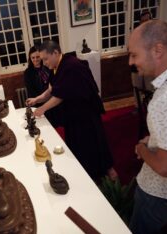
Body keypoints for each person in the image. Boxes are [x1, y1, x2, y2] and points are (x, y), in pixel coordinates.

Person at [26, 40, 117, 181]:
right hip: (73, 114)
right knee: (77, 145)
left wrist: (42, 109)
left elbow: (60, 96)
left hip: (86, 113)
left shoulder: (71, 66)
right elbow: (52, 88)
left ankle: (104, 174)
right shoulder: (57, 66)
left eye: (45, 59)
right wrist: (37, 99)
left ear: (55, 53)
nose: (43, 63)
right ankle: (85, 171)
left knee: (93, 143)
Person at [128, 20, 167, 234]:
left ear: (157, 50)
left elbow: (165, 167)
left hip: (161, 196)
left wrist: (143, 149)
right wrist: (153, 139)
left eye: (134, 54)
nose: (131, 62)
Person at [23, 45, 62, 128]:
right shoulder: (28, 72)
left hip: (53, 101)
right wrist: (39, 101)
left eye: (38, 57)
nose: (35, 59)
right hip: (40, 103)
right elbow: (32, 92)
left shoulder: (48, 67)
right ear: (30, 58)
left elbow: (53, 87)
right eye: (33, 57)